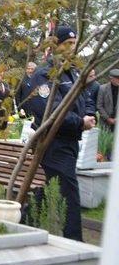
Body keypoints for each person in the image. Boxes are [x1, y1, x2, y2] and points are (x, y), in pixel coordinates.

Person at [28, 25, 96, 241]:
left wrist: (89, 115)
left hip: (70, 141)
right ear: (55, 46)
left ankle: (25, 219)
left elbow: (85, 98)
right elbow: (48, 109)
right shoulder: (44, 74)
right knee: (69, 194)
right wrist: (79, 122)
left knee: (55, 187)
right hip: (53, 142)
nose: (72, 48)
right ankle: (75, 241)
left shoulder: (72, 72)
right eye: (67, 44)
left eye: (74, 44)